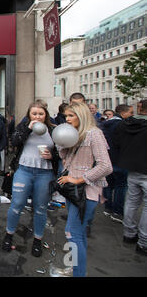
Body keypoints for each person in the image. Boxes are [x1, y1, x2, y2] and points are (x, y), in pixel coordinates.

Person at [54, 102, 112, 277]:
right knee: (77, 234)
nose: (67, 119)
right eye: (66, 116)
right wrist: (61, 143)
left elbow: (106, 166)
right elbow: (65, 159)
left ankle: (78, 273)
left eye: (71, 116)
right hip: (73, 192)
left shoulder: (95, 134)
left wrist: (79, 179)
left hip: (86, 192)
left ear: (82, 115)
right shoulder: (74, 134)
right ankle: (77, 270)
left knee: (72, 233)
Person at [2, 101, 59, 257]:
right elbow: (14, 142)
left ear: (46, 115)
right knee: (17, 204)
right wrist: (28, 128)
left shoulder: (53, 130)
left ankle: (37, 240)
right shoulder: (24, 127)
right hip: (24, 171)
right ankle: (9, 235)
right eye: (34, 114)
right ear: (29, 115)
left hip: (45, 173)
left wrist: (52, 155)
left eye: (41, 114)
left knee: (40, 208)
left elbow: (62, 153)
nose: (38, 117)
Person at [113, 99, 147, 256]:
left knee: (132, 202)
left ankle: (129, 233)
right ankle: (144, 242)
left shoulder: (124, 125)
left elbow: (117, 143)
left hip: (132, 168)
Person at [101, 104, 133, 223]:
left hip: (107, 160)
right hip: (120, 160)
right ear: (123, 113)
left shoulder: (104, 125)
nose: (132, 115)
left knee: (108, 184)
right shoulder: (125, 125)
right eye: (130, 112)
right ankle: (117, 211)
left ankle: (108, 207)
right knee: (121, 186)